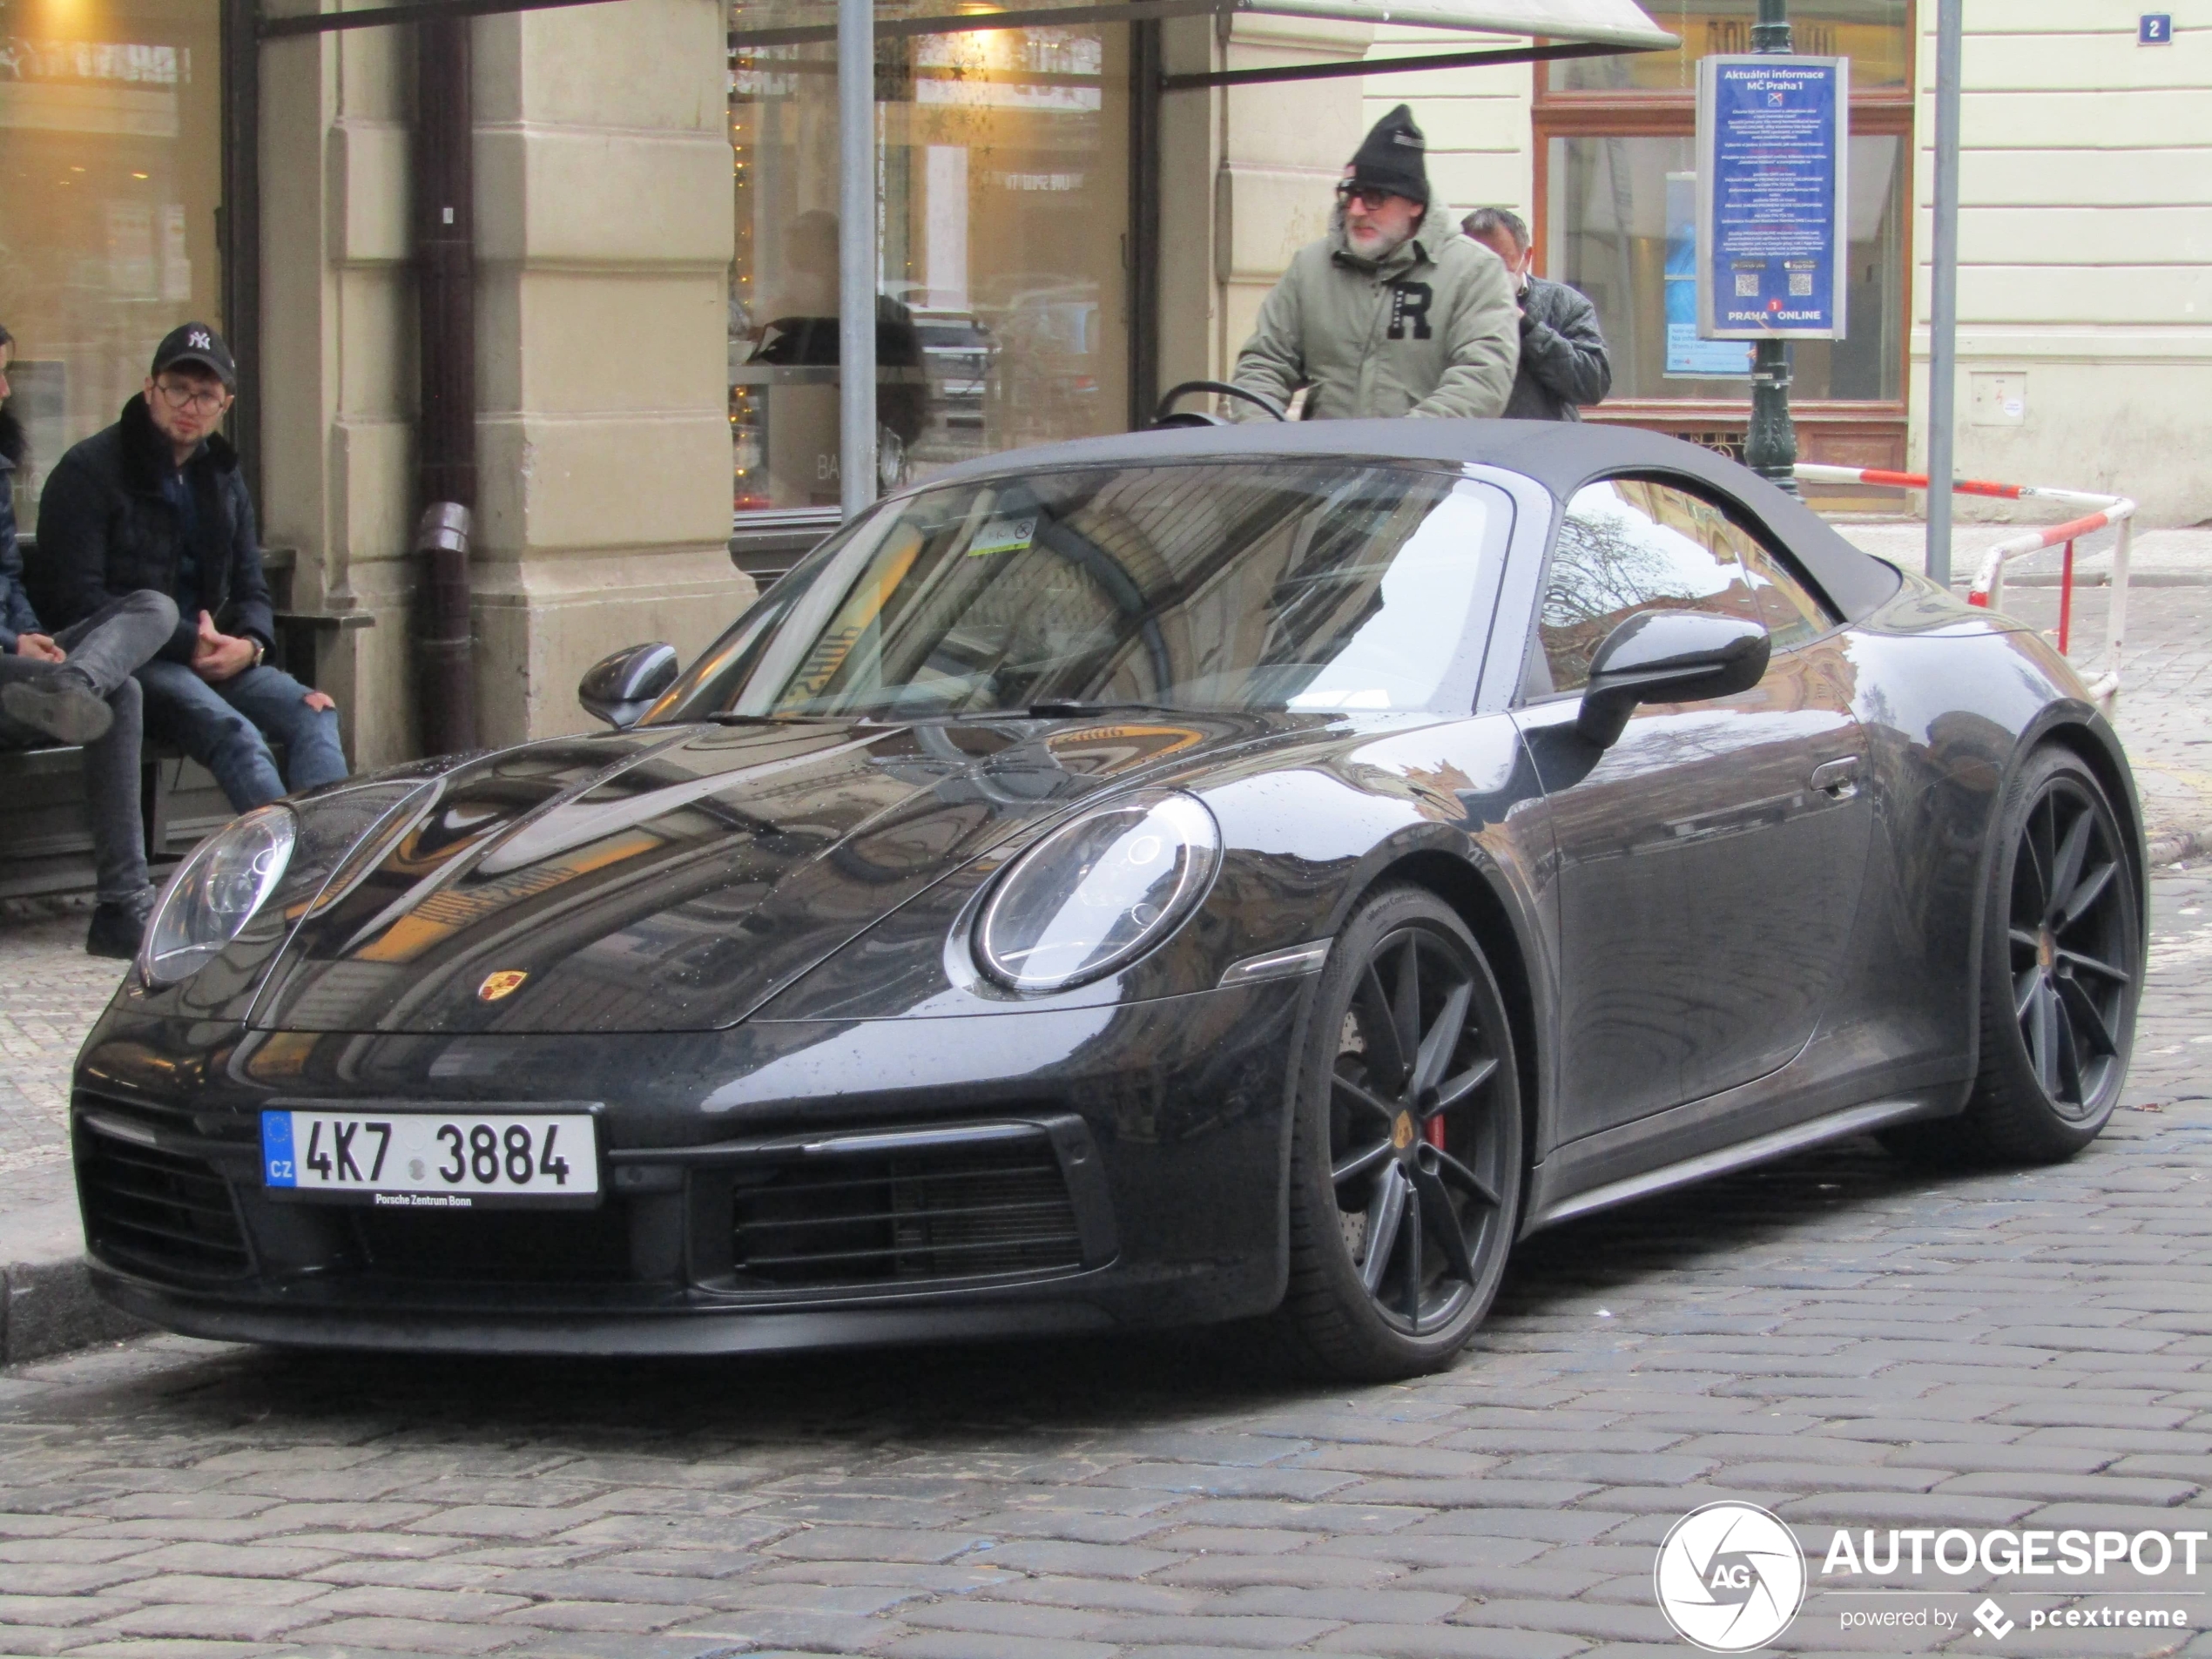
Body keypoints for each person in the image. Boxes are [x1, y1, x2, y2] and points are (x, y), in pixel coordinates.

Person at [30, 323, 347, 815]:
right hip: (134, 665)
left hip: (218, 657)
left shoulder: (222, 477)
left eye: (206, 395)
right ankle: (291, 878)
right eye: (178, 389)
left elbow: (251, 586)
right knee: (237, 735)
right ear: (150, 389)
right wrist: (186, 642)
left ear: (226, 406)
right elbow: (71, 601)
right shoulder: (89, 470)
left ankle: (335, 864)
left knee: (315, 713)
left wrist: (251, 645)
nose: (189, 406)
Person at [0, 322, 182, 957]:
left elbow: (7, 573)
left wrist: (30, 633)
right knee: (124, 693)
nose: (3, 389)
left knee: (153, 609)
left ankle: (118, 910)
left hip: (21, 664)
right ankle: (123, 905)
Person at [1231, 105, 1518, 423]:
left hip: (1431, 468)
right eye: (1349, 194)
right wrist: (1263, 439)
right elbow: (1264, 363)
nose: (1356, 210)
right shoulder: (1310, 268)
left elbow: (1482, 379)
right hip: (1324, 467)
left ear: (1415, 203)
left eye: (1374, 198)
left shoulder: (1474, 271)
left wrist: (1398, 448)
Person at [1461, 206, 1612, 422]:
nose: (1487, 272)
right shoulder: (1445, 305)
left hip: (1541, 446)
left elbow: (1593, 384)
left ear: (1527, 257)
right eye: (1476, 261)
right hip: (1465, 444)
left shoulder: (1565, 303)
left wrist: (1526, 327)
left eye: (1501, 260)